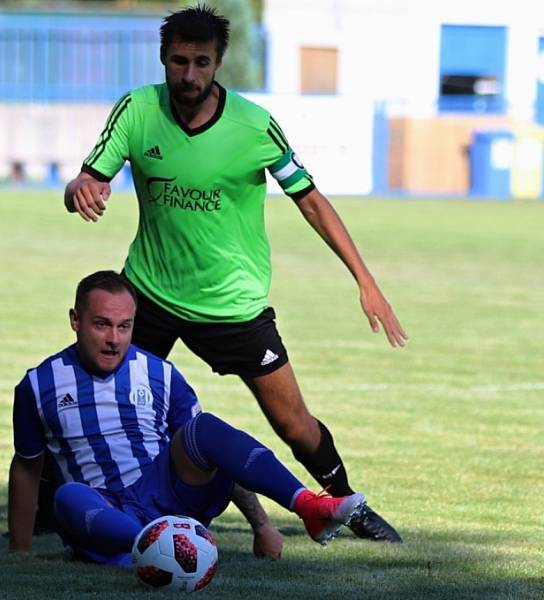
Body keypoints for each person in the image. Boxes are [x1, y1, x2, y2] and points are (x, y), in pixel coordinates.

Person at [63, 5, 408, 543]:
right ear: (163, 58)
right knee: (96, 396)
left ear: (219, 62)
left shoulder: (252, 125)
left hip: (233, 305)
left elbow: (311, 201)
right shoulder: (136, 111)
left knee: (294, 424)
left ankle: (344, 505)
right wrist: (79, 189)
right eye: (179, 61)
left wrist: (365, 280)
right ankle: (62, 502)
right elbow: (84, 180)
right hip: (148, 296)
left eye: (202, 62)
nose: (190, 75)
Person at [7, 270, 366, 563]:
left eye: (124, 326)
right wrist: (19, 552)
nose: (114, 339)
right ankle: (156, 545)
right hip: (103, 510)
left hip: (165, 494)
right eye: (102, 324)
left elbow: (220, 456)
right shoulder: (38, 385)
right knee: (67, 495)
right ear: (75, 320)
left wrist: (262, 526)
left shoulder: (159, 373)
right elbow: (26, 468)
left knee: (203, 428)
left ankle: (309, 507)